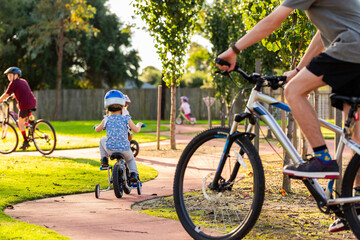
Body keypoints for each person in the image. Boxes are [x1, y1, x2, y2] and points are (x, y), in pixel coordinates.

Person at [216, 0, 360, 232]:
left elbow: (273, 20)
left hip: (351, 47)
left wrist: (233, 50)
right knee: (355, 139)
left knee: (292, 92)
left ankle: (322, 159)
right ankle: (356, 207)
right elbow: (321, 35)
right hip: (355, 52)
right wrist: (298, 70)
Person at [95, 90, 143, 182]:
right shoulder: (126, 118)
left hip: (111, 149)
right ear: (122, 105)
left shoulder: (106, 119)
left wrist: (96, 127)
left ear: (107, 106)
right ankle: (133, 173)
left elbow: (98, 130)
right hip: (124, 148)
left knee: (102, 140)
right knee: (130, 159)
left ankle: (104, 160)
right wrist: (139, 125)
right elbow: (136, 130)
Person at [0, 67, 37, 150]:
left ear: (16, 75)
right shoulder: (23, 81)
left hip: (25, 104)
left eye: (10, 76)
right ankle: (32, 125)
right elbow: (22, 91)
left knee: (20, 123)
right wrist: (13, 96)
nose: (9, 78)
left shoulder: (13, 83)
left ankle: (26, 141)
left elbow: (6, 94)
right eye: (8, 76)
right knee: (23, 117)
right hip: (32, 102)